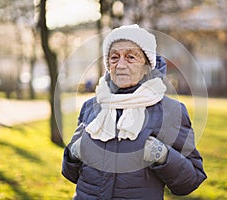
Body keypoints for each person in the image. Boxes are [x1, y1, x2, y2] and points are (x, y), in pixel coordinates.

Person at [62, 24, 207, 200]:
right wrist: (73, 153)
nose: (121, 64)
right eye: (114, 57)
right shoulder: (91, 107)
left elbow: (189, 181)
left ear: (147, 65)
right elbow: (71, 174)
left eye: (131, 57)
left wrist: (161, 155)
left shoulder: (170, 111)